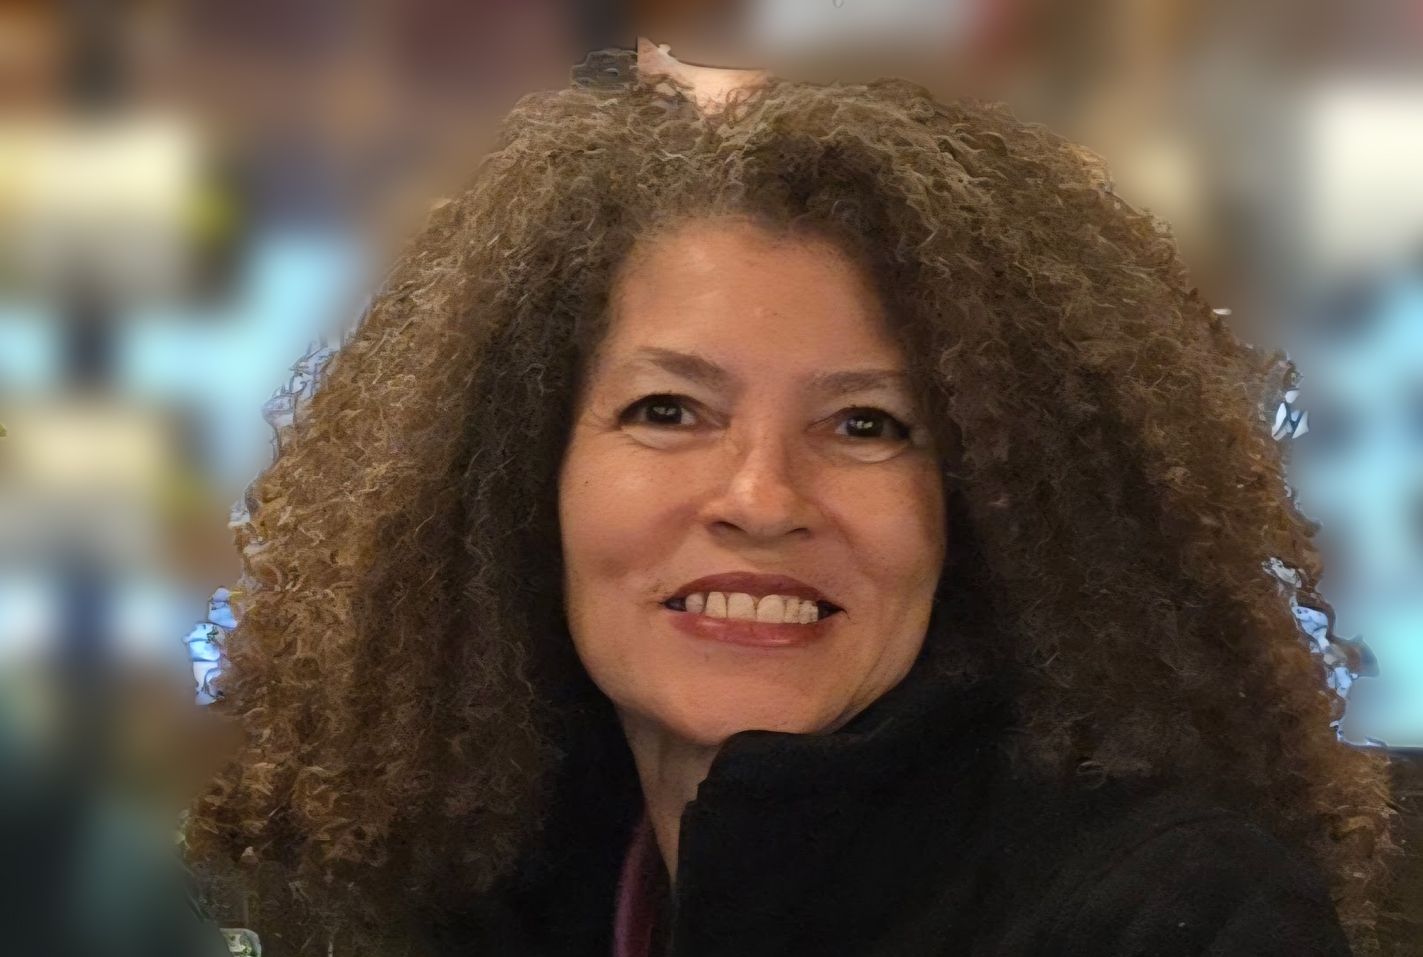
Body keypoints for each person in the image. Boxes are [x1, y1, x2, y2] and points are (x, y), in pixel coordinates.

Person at [182, 45, 1401, 956]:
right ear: (516, 473)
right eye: (669, 411)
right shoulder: (453, 887)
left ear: (988, 507)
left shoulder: (1167, 915)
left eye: (866, 425)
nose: (762, 498)